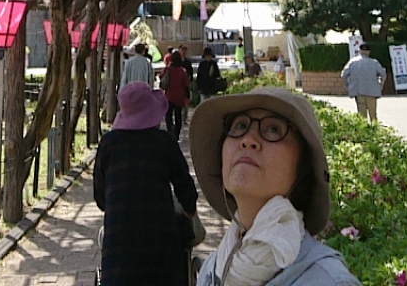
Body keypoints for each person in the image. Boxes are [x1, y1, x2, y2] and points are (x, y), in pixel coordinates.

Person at [191, 86, 361, 286]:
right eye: (239, 126)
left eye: (273, 129)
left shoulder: (327, 280)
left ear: (302, 167)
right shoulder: (213, 268)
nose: (248, 140)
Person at [94, 82, 202, 286]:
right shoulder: (164, 141)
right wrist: (188, 211)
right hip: (161, 244)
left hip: (119, 248)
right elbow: (186, 190)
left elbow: (101, 198)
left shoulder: (108, 143)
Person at [340, 45, 386, 121]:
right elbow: (383, 74)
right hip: (372, 92)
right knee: (373, 115)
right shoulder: (374, 63)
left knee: (361, 117)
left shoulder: (352, 62)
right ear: (369, 52)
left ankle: (364, 132)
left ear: (359, 51)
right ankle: (375, 132)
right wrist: (380, 85)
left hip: (359, 92)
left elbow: (343, 75)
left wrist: (349, 87)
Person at [162, 47, 193, 135]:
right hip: (179, 96)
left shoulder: (167, 69)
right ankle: (177, 133)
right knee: (178, 115)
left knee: (168, 114)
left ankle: (170, 129)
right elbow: (186, 84)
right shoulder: (182, 71)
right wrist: (187, 96)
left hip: (169, 95)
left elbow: (162, 77)